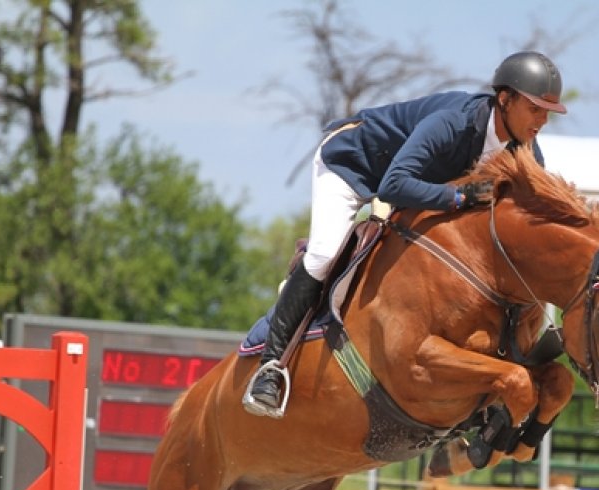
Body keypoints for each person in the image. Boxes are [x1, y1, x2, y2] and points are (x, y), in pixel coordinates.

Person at [243, 51, 568, 417]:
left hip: (408, 185)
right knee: (324, 253)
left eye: (547, 112)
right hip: (354, 165)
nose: (542, 120)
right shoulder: (453, 123)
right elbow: (392, 184)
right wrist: (459, 197)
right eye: (536, 108)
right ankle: (270, 369)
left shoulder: (526, 151)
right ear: (505, 99)